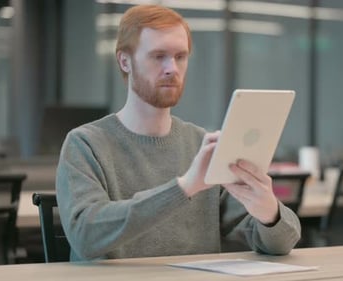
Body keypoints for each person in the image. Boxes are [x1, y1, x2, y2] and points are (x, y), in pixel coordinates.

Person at [56, 4, 301, 262]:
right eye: (158, 56)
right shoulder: (85, 144)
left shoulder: (200, 144)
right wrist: (185, 187)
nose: (172, 68)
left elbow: (281, 244)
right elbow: (85, 235)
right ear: (124, 61)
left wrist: (269, 213)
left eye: (180, 56)